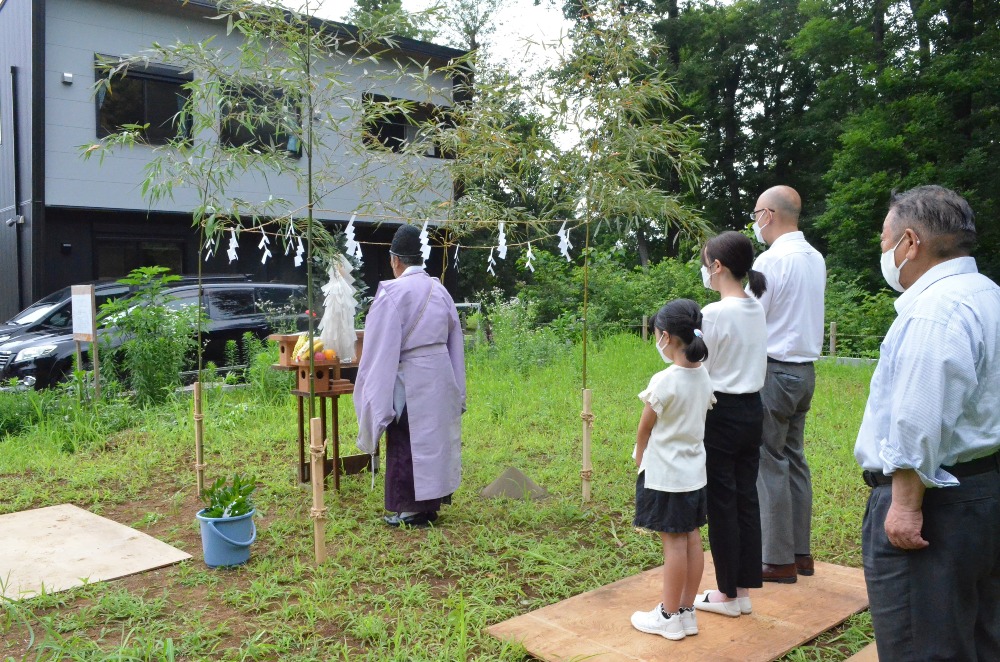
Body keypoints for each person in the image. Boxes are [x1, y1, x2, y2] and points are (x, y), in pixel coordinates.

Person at [855, 185, 1000, 661]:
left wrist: (904, 505)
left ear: (910, 243)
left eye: (884, 240)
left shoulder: (935, 311)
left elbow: (919, 416)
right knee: (980, 634)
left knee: (923, 644)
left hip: (938, 506)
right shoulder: (988, 295)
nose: (884, 251)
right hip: (985, 493)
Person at [354, 224, 466, 528]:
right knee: (435, 439)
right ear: (419, 257)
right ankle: (430, 506)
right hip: (441, 373)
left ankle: (408, 509)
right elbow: (457, 342)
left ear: (395, 260)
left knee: (406, 439)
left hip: (411, 377)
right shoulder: (440, 290)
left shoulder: (392, 292)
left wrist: (372, 391)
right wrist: (459, 389)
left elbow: (379, 349)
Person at [749, 185, 826, 583]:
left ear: (769, 215)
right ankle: (801, 553)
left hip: (775, 370)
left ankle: (776, 559)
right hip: (805, 371)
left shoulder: (771, 260)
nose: (755, 222)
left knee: (768, 459)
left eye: (756, 214)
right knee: (794, 457)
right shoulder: (815, 258)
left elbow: (749, 314)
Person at [629, 299, 715, 641]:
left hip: (666, 476)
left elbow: (645, 427)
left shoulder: (665, 380)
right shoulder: (703, 375)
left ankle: (667, 615)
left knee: (674, 543)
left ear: (665, 336)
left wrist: (639, 456)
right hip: (695, 473)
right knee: (692, 538)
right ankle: (686, 612)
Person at [693, 232, 769, 618]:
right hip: (753, 411)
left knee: (722, 502)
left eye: (706, 262)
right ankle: (741, 590)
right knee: (745, 498)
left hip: (720, 413)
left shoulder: (715, 313)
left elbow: (698, 366)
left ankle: (726, 594)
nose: (705, 269)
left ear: (717, 266)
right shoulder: (755, 306)